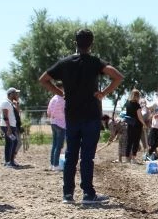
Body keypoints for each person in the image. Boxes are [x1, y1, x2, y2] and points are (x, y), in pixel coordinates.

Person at [39, 28, 123, 204]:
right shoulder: (95, 62)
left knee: (71, 154)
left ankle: (67, 194)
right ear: (91, 44)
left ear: (74, 43)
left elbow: (43, 79)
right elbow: (117, 76)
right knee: (87, 156)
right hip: (91, 115)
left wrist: (60, 92)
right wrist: (103, 93)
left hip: (72, 115)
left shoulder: (65, 63)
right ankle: (88, 193)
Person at [123, 89, 146, 163]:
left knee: (129, 141)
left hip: (130, 124)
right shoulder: (137, 105)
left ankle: (127, 158)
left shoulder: (127, 103)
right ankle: (133, 158)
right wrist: (144, 124)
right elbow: (139, 116)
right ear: (137, 96)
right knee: (136, 141)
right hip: (137, 125)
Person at [0, 87, 21, 168]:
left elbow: (17, 111)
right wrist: (8, 128)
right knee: (10, 143)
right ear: (11, 94)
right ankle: (7, 162)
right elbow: (5, 116)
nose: (17, 94)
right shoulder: (5, 103)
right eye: (15, 93)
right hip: (6, 126)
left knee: (14, 142)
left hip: (12, 126)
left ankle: (11, 161)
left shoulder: (11, 103)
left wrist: (17, 102)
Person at [46, 90, 66, 171]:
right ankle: (56, 165)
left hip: (53, 123)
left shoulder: (52, 99)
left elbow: (48, 113)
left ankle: (52, 164)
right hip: (61, 124)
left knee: (54, 144)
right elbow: (66, 111)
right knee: (59, 146)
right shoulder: (63, 99)